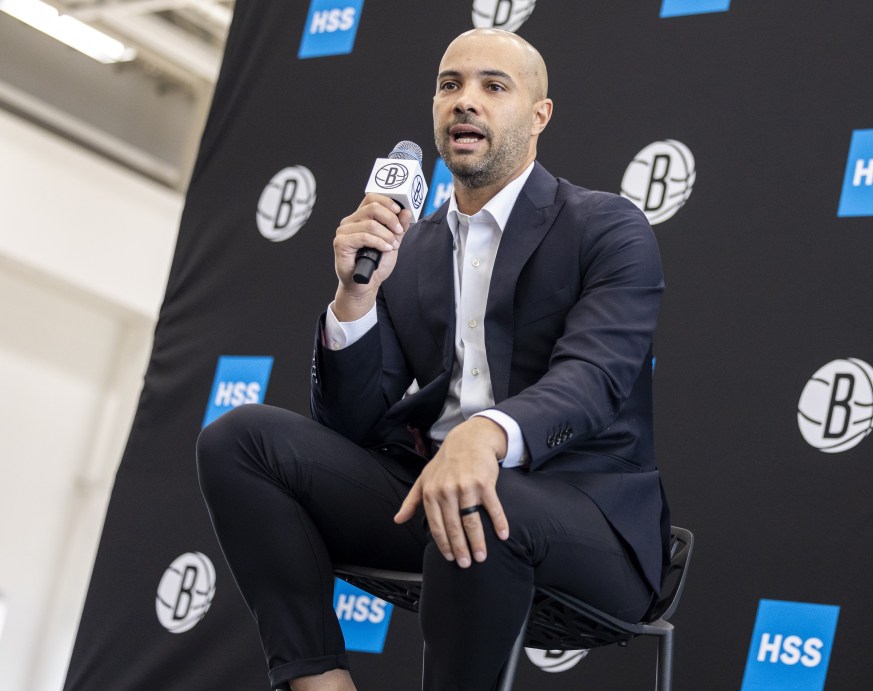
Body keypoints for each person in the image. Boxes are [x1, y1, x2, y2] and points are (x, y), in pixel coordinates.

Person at [197, 27, 668, 691]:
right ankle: (319, 681)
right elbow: (351, 423)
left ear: (540, 115)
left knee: (476, 487)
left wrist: (484, 437)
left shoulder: (607, 227)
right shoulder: (409, 250)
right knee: (238, 440)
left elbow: (595, 379)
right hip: (434, 495)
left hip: (586, 519)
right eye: (450, 85)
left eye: (492, 85)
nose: (464, 100)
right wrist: (355, 292)